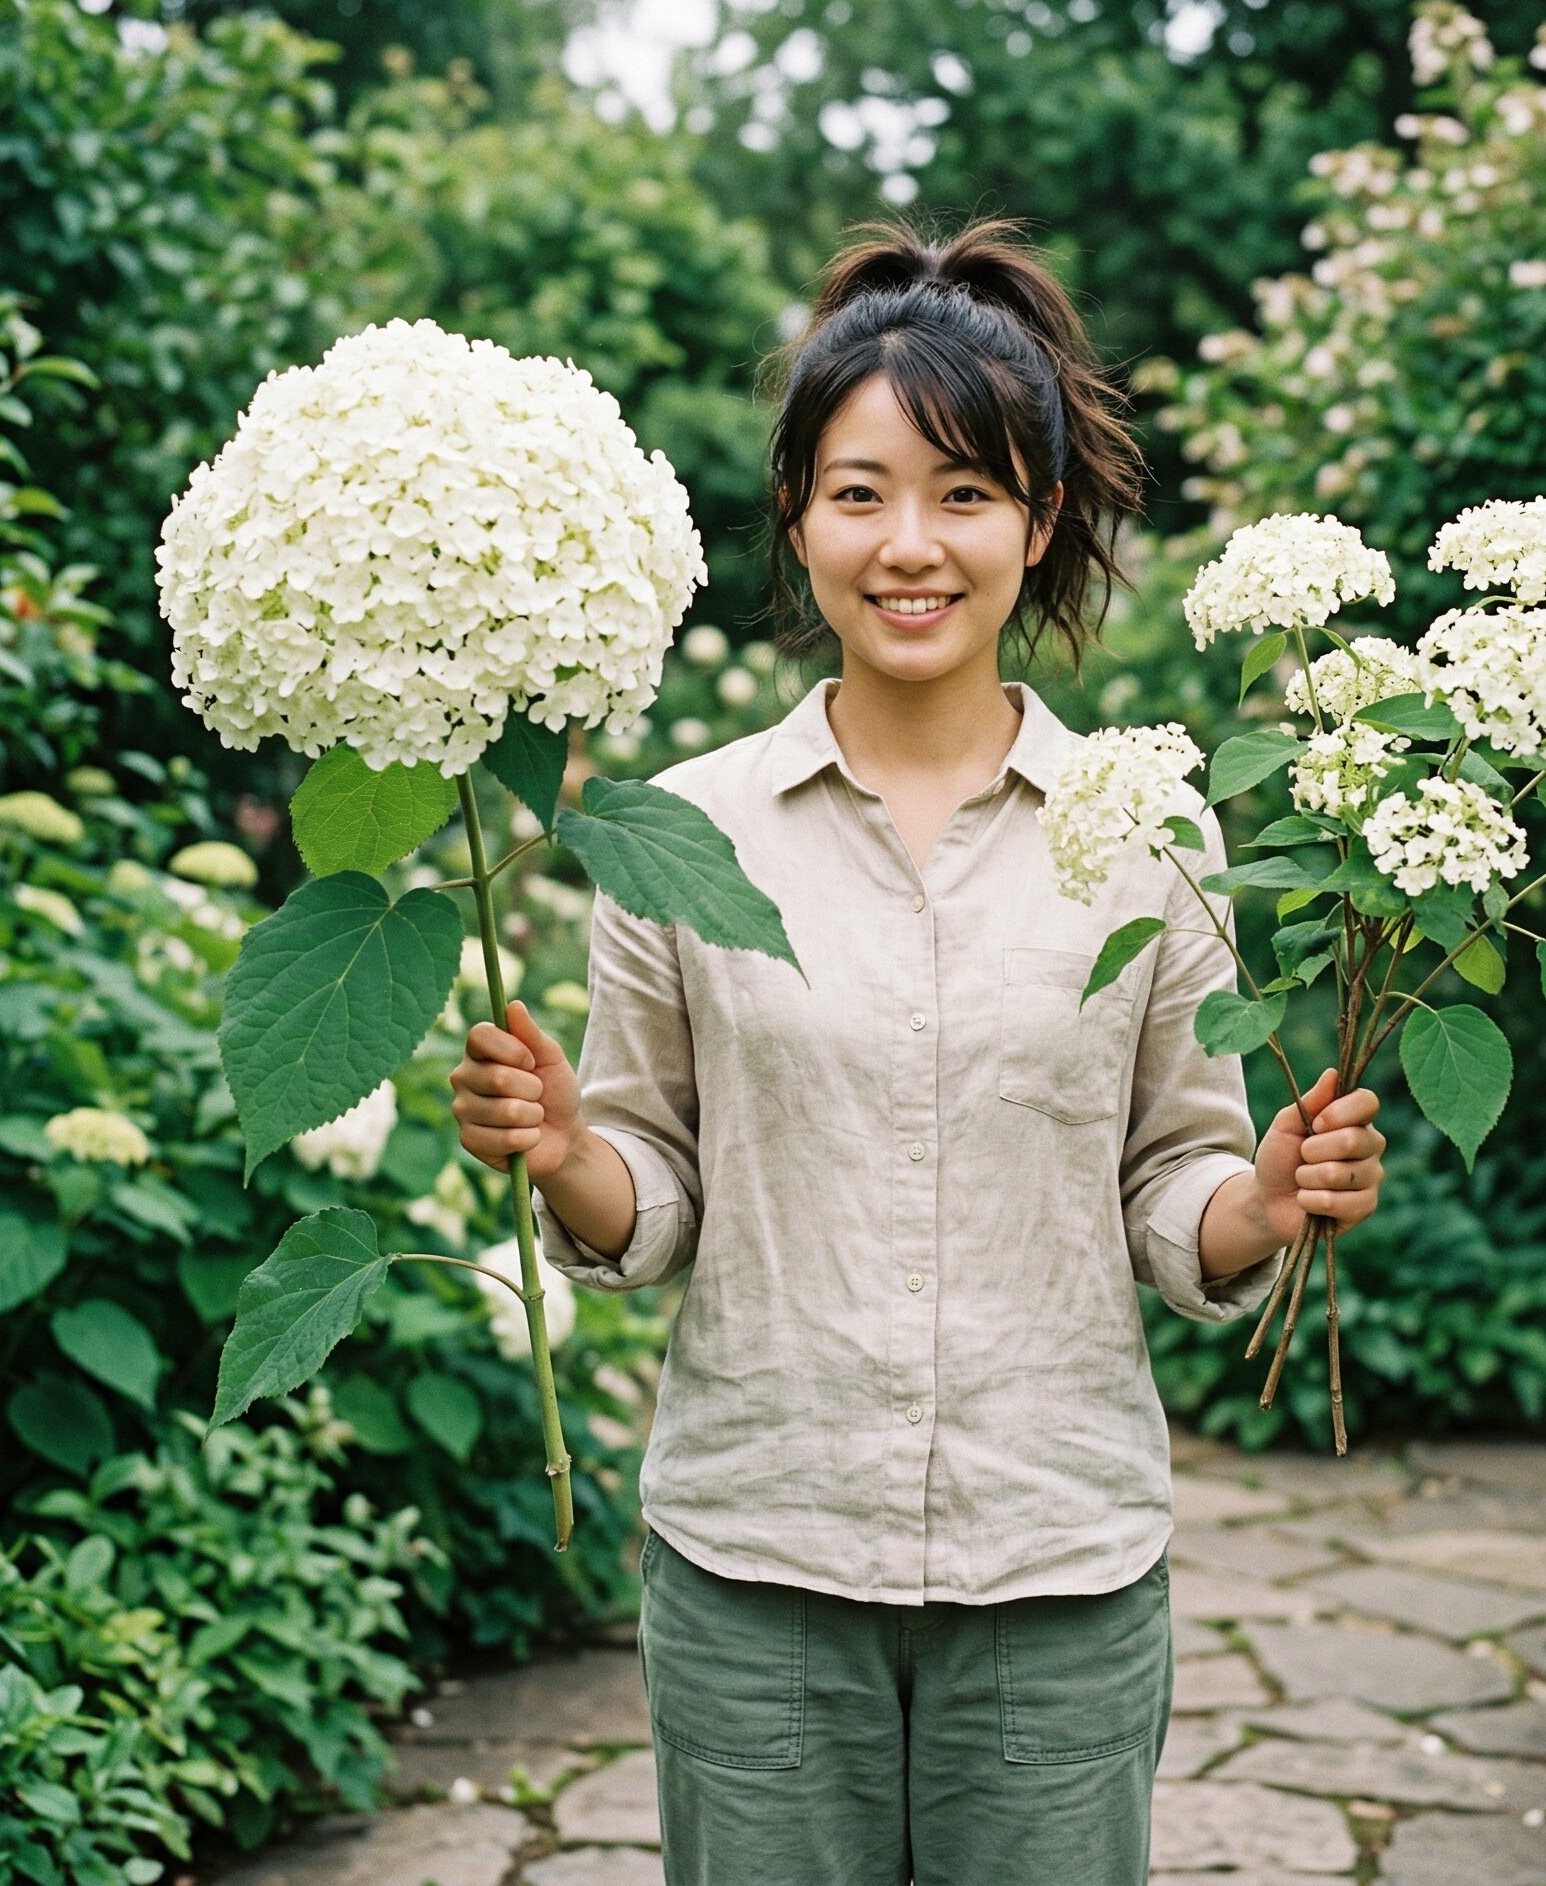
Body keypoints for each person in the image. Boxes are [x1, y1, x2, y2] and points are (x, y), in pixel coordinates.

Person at [450, 214, 1386, 1886]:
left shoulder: (1151, 827)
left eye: (964, 494)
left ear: (1038, 522)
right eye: (862, 489)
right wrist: (564, 1151)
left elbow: (1177, 1187)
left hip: (1057, 1574)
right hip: (758, 1564)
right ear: (798, 515)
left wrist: (1265, 1195)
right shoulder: (680, 834)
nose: (912, 544)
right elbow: (655, 1191)